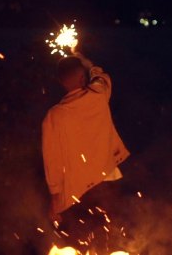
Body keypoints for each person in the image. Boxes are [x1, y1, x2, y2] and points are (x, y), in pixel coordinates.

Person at [42, 50, 130, 250]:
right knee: (106, 238)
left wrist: (55, 197)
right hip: (107, 179)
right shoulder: (98, 94)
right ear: (83, 78)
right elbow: (101, 76)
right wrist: (82, 57)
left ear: (61, 82)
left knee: (81, 240)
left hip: (76, 188)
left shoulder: (54, 116)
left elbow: (51, 159)